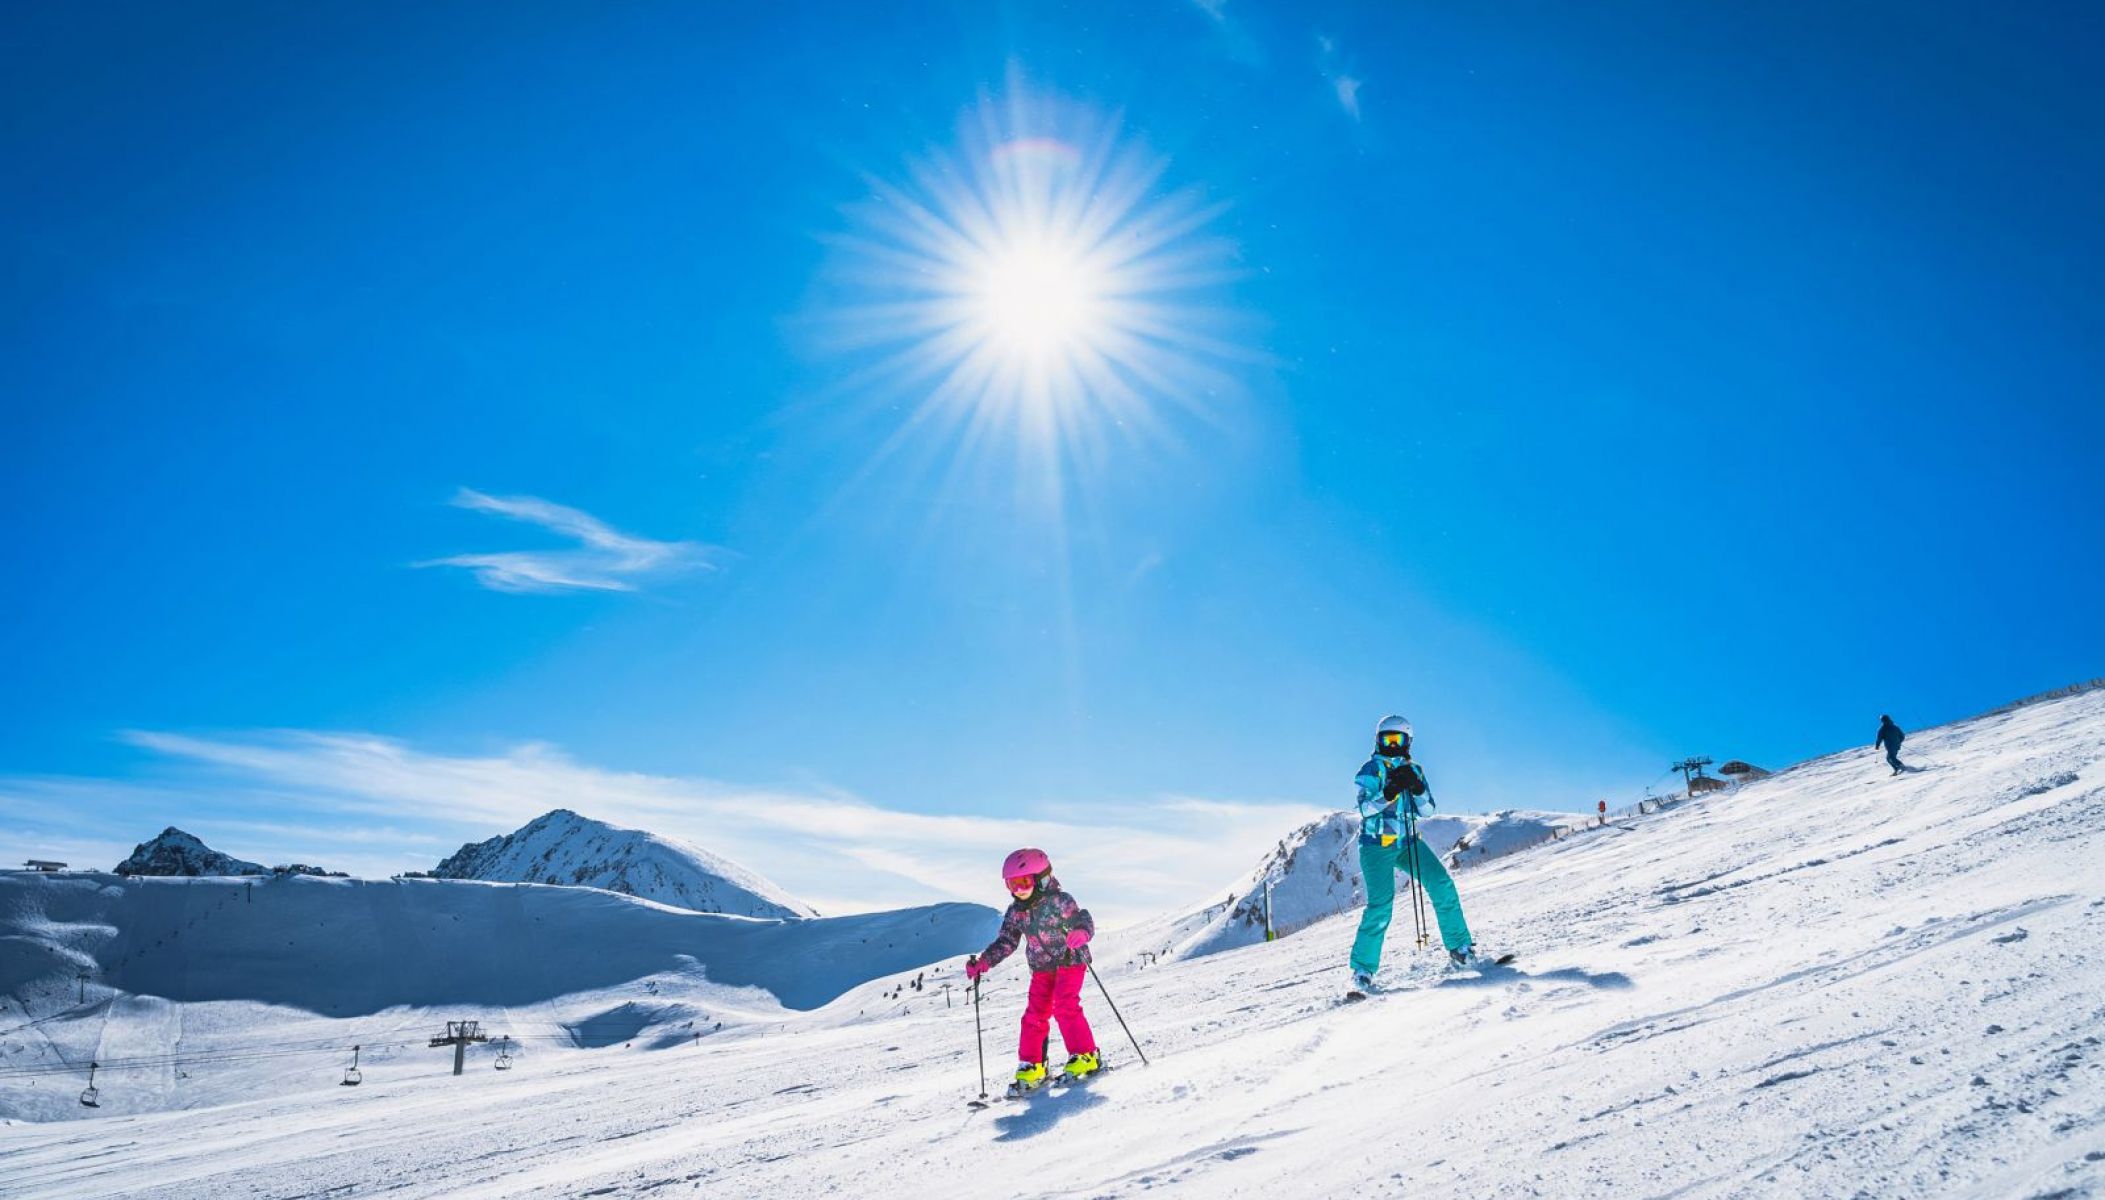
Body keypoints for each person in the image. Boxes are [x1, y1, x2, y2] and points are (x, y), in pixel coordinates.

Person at [1349, 715, 1480, 993]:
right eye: (1388, 740)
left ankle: (1460, 948)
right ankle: (1362, 970)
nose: (1393, 745)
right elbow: (1364, 809)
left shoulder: (1414, 770)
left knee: (1442, 884)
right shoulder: (1371, 769)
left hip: (1408, 842)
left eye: (1398, 740)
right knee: (1381, 906)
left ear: (1408, 742)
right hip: (1377, 845)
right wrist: (1391, 790)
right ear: (1378, 740)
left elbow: (1428, 810)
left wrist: (1417, 788)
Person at [965, 848, 1100, 1090]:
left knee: (1065, 1005)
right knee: (1034, 1015)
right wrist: (984, 961)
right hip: (1041, 968)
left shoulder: (1060, 901)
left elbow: (1083, 918)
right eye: (1012, 884)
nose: (1018, 890)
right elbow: (1007, 941)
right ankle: (1033, 1065)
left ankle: (1086, 1056)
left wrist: (1081, 932)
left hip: (1070, 960)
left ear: (1041, 878)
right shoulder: (1016, 912)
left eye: (1024, 882)